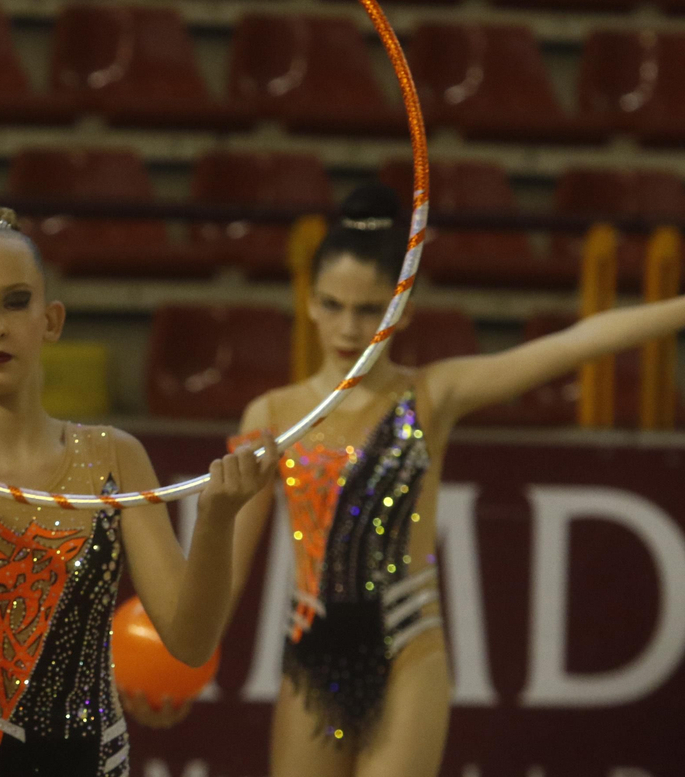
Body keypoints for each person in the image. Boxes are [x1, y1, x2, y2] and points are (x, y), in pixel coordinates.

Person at [226, 183, 685, 777]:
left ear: (404, 308)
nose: (347, 328)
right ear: (308, 301)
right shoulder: (270, 416)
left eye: (369, 309)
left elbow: (576, 343)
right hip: (310, 663)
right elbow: (221, 572)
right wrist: (173, 651)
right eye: (332, 304)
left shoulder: (431, 395)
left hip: (408, 654)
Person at [0, 205, 278, 776]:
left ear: (51, 319)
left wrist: (217, 519)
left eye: (15, 301)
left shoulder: (114, 457)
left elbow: (191, 641)